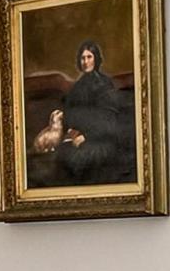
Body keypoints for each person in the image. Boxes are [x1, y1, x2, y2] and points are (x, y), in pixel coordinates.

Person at [55, 39, 135, 184]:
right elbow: (70, 114)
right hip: (77, 137)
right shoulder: (77, 87)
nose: (85, 61)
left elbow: (108, 120)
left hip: (102, 140)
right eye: (83, 58)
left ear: (96, 59)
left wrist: (86, 137)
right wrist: (73, 132)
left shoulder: (105, 84)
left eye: (89, 57)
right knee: (60, 155)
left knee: (81, 159)